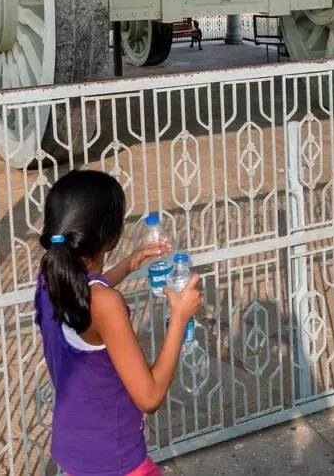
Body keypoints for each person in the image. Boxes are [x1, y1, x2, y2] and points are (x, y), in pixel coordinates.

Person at [36, 170, 203, 476]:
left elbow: (85, 296)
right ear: (111, 236)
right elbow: (149, 396)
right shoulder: (106, 304)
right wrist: (179, 316)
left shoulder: (50, 277)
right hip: (115, 460)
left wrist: (128, 264)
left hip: (73, 449)